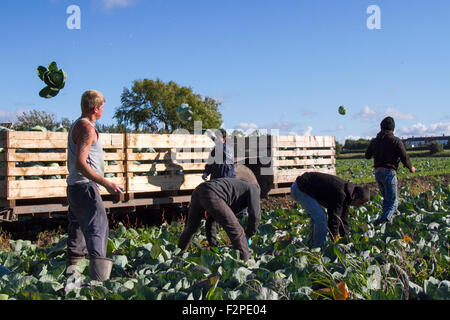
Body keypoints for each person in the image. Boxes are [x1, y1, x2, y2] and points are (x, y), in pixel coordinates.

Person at [66, 89, 123, 281]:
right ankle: (99, 282)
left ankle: (72, 279)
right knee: (98, 227)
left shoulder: (77, 125)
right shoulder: (87, 129)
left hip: (75, 187)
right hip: (85, 187)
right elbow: (81, 163)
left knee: (78, 230)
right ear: (96, 108)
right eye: (103, 107)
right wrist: (106, 183)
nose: (103, 110)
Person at [178, 178, 261, 262]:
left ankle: (177, 256)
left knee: (191, 228)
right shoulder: (254, 188)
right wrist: (249, 234)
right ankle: (244, 263)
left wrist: (213, 246)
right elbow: (255, 216)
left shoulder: (235, 192)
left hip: (199, 190)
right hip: (212, 192)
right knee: (237, 230)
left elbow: (211, 221)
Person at [290, 172, 370, 248]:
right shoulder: (341, 193)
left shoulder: (348, 195)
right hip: (300, 188)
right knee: (321, 217)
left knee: (317, 218)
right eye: (361, 203)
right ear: (356, 197)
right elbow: (334, 217)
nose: (360, 206)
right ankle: (319, 248)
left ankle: (311, 244)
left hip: (304, 188)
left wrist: (346, 239)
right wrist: (334, 236)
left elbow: (343, 219)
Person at [365, 116, 416, 226]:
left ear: (381, 128)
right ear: (392, 129)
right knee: (393, 203)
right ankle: (384, 220)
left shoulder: (375, 141)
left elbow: (367, 155)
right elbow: (404, 157)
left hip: (378, 173)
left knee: (387, 201)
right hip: (389, 172)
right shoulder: (395, 141)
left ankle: (384, 225)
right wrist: (411, 167)